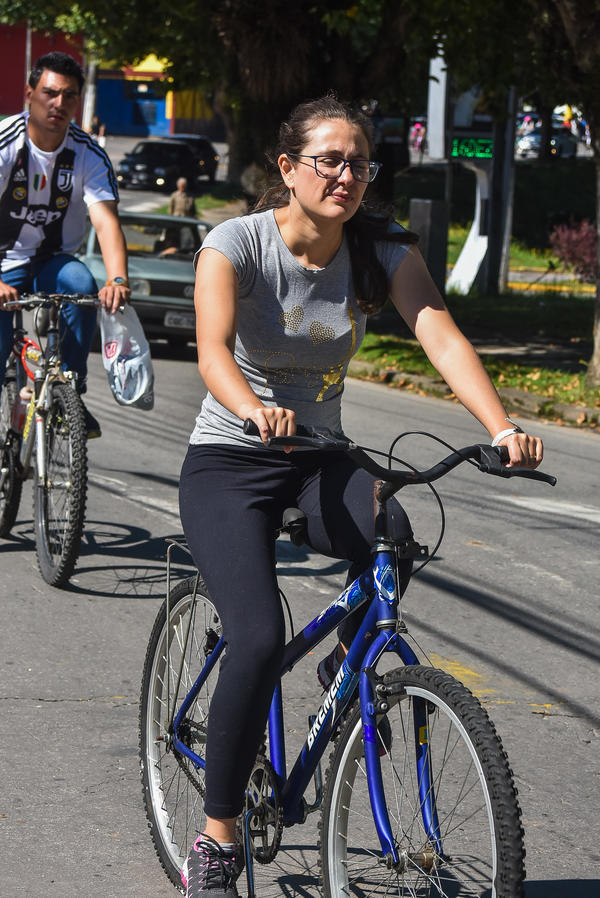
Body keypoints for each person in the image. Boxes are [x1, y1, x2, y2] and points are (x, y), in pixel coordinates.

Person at [178, 93, 544, 897]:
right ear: (288, 169)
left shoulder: (381, 247)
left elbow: (439, 332)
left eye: (359, 163)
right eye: (329, 160)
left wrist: (500, 424)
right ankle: (216, 836)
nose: (346, 176)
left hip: (319, 457)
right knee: (255, 632)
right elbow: (210, 352)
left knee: (396, 530)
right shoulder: (234, 244)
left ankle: (349, 660)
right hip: (232, 458)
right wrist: (251, 407)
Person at [0, 51, 130, 438]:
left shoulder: (88, 154)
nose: (59, 104)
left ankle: (68, 394)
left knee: (82, 286)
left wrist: (118, 280)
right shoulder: (6, 144)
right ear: (29, 93)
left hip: (52, 260)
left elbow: (105, 222)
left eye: (69, 96)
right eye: (50, 93)